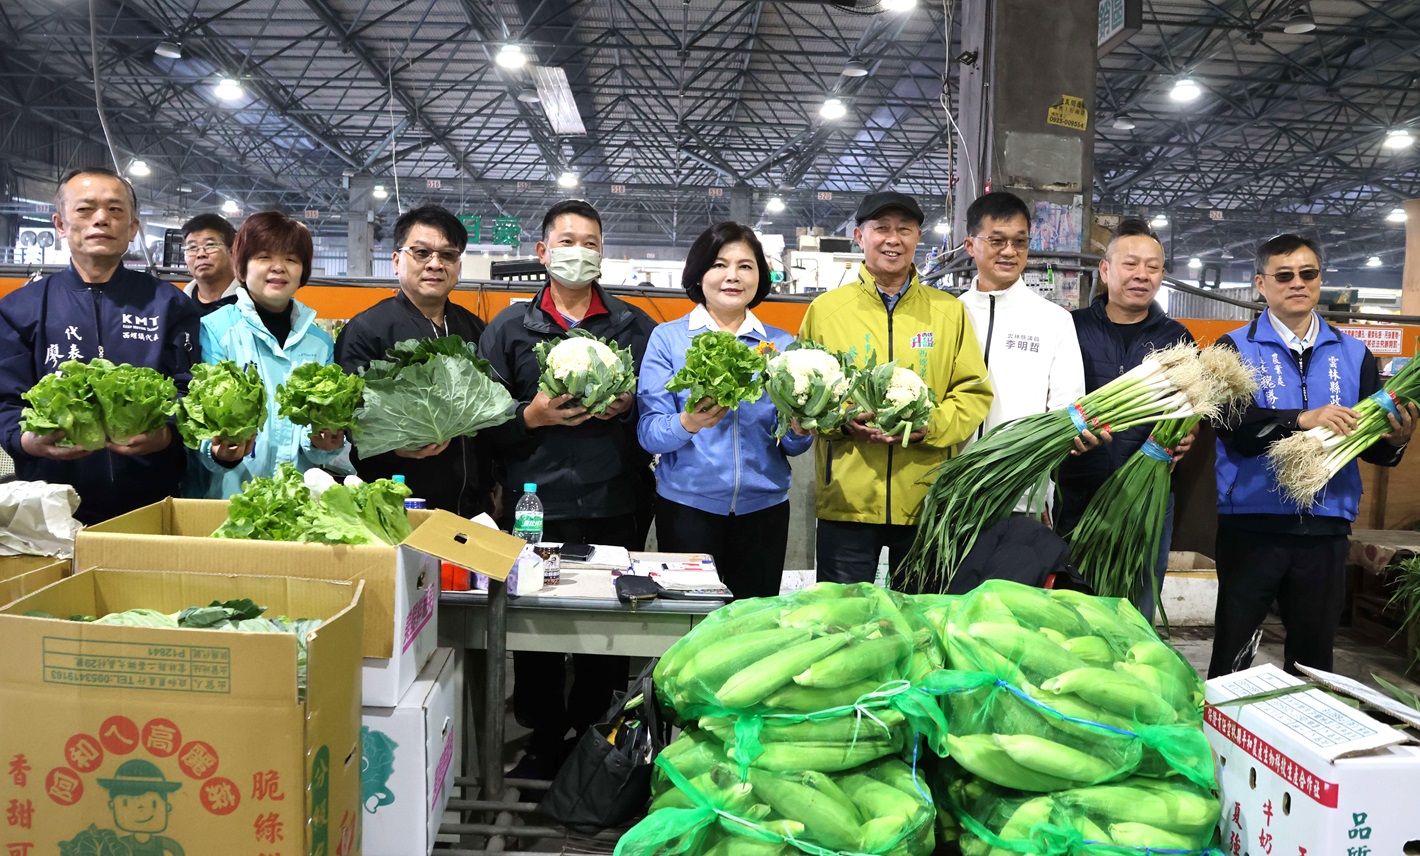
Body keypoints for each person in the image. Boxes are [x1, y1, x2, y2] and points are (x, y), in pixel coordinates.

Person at [477, 199, 657, 782]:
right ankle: (543, 737)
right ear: (542, 252)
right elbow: (482, 417)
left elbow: (660, 413)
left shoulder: (634, 326)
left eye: (591, 243)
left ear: (603, 253)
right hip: (535, 501)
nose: (579, 252)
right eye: (567, 242)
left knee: (609, 625)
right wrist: (529, 416)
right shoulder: (508, 329)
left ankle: (595, 734)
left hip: (616, 497)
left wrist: (629, 407)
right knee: (535, 627)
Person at [1209, 234, 1416, 677]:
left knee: (1314, 658)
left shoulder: (1355, 353)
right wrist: (1302, 418)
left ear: (1320, 279)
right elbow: (1232, 427)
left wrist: (1397, 439)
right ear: (1261, 284)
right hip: (1252, 522)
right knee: (1234, 652)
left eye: (1308, 273)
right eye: (1284, 275)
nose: (1297, 283)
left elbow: (1375, 448)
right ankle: (1222, 720)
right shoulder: (1234, 347)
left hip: (1326, 525)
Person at [799, 190, 993, 587]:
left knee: (920, 615)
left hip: (925, 497)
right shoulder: (826, 310)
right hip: (848, 500)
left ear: (918, 237)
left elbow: (973, 392)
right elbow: (804, 397)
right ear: (859, 236)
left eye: (905, 229)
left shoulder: (948, 311)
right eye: (882, 228)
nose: (893, 239)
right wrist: (841, 421)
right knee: (844, 616)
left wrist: (930, 426)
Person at [0, 166, 199, 524]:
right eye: (85, 209)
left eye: (115, 209)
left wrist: (166, 434)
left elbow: (189, 387)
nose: (102, 219)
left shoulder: (168, 304)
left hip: (153, 501)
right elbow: (5, 401)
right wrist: (26, 440)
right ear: (60, 224)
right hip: (51, 507)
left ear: (133, 228)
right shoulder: (20, 309)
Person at [637, 222, 813, 599]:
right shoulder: (669, 339)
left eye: (745, 266)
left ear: (760, 277)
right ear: (699, 273)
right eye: (719, 264)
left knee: (751, 624)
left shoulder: (781, 345)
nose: (732, 276)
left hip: (764, 512)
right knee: (692, 622)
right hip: (686, 508)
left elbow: (790, 445)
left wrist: (800, 430)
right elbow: (649, 432)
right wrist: (687, 423)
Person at [1055, 218, 1196, 619]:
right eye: (1130, 264)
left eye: (1153, 267)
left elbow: (1191, 409)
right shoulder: (1070, 328)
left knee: (1136, 610)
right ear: (1105, 270)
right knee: (1069, 607)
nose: (1142, 275)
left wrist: (1190, 435)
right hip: (1078, 491)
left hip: (1146, 498)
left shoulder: (1177, 338)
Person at [335, 205, 492, 516]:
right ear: (396, 261)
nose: (435, 264)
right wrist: (394, 445)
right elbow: (351, 418)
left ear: (458, 265)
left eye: (447, 255)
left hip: (471, 508)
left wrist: (493, 484)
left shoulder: (476, 329)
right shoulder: (368, 329)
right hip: (395, 504)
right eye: (421, 253)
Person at [189, 211, 347, 498]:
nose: (279, 268)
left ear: (303, 271)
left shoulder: (320, 343)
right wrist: (220, 452)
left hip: (297, 501)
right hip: (230, 499)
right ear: (242, 267)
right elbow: (201, 423)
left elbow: (318, 439)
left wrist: (324, 445)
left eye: (291, 259)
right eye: (264, 257)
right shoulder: (215, 329)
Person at [957, 191, 1086, 515]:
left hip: (1021, 496)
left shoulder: (1053, 320)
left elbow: (1066, 409)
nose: (1009, 251)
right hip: (951, 492)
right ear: (970, 245)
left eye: (1020, 242)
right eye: (997, 240)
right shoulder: (949, 314)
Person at [179, 213, 240, 316]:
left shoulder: (251, 301)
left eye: (210, 245)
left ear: (232, 251)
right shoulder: (178, 306)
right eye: (192, 247)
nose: (201, 254)